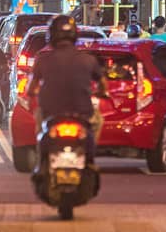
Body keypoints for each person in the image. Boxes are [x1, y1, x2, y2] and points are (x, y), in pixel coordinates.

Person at [28, 15, 107, 157]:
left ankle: (42, 158)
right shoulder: (88, 59)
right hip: (82, 111)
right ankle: (90, 156)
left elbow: (31, 87)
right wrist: (101, 93)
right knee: (98, 121)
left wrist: (31, 95)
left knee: (40, 126)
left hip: (50, 111)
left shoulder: (42, 59)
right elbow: (102, 83)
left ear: (51, 35)